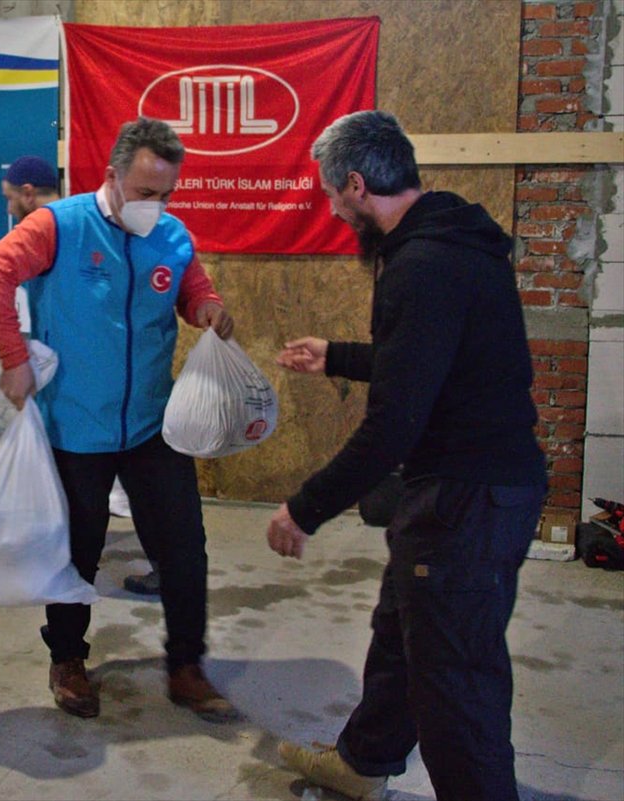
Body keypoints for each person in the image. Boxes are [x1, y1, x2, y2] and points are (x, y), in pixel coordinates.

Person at [268, 111, 546, 801]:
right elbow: (425, 361)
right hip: (461, 490)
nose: (333, 211)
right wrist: (336, 355)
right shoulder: (448, 238)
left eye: (333, 196)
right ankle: (363, 764)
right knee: (399, 631)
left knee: (457, 682)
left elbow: (393, 423)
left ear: (357, 185)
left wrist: (305, 508)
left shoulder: (421, 264)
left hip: (466, 498)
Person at [0, 117, 238, 721]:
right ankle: (67, 660)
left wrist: (208, 308)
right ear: (113, 176)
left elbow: (193, 286)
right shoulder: (59, 227)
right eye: (146, 192)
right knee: (76, 552)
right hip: (76, 425)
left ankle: (187, 665)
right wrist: (14, 360)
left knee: (183, 549)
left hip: (151, 423)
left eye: (168, 193)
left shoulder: (170, 235)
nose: (157, 205)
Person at [4, 155, 162, 597]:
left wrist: (13, 360)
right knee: (121, 502)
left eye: (12, 197)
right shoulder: (63, 228)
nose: (11, 206)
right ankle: (70, 636)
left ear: (29, 192)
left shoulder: (61, 227)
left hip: (85, 405)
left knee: (87, 515)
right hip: (109, 403)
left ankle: (69, 597)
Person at [1, 155, 60, 222]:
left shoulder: (30, 231)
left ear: (28, 194)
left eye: (10, 198)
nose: (9, 210)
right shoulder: (72, 223)